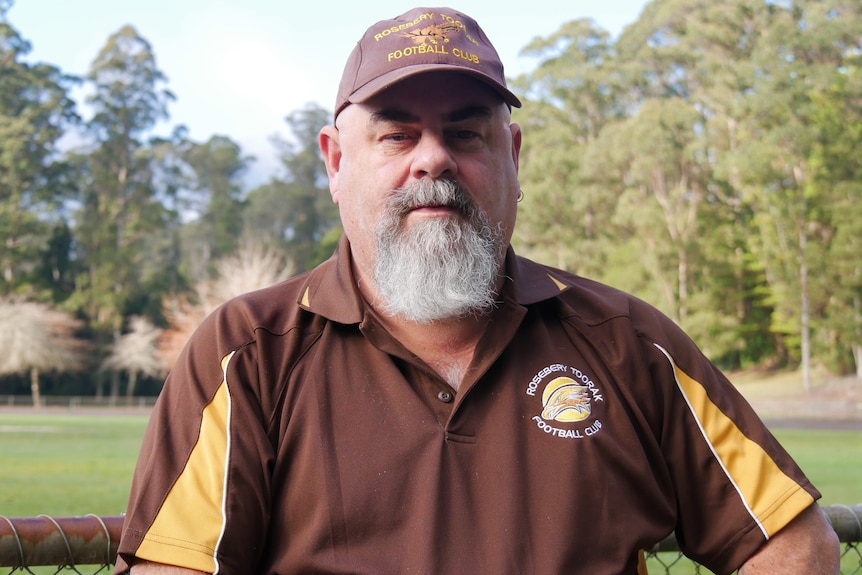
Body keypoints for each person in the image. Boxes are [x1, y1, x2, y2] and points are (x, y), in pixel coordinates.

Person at [115, 7, 839, 575]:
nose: (435, 158)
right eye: (397, 136)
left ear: (513, 156)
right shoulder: (247, 353)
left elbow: (795, 541)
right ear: (336, 162)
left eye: (466, 135)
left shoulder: (627, 343)